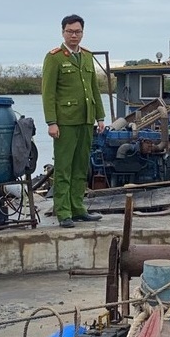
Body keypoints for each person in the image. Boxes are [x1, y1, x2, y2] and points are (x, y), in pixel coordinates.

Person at [42, 14, 105, 228]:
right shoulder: (55, 57)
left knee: (81, 167)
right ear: (63, 32)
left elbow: (94, 89)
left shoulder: (87, 56)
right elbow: (48, 93)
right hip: (65, 122)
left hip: (86, 120)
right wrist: (51, 122)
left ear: (83, 33)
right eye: (70, 31)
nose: (74, 35)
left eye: (78, 31)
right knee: (64, 167)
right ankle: (64, 212)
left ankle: (78, 208)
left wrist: (101, 117)